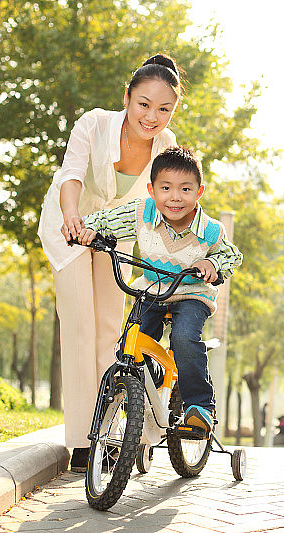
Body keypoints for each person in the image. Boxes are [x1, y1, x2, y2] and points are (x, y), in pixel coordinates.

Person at [38, 54, 183, 473]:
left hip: (113, 236)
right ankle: (82, 442)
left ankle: (113, 431)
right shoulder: (95, 124)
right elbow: (71, 175)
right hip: (69, 228)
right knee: (80, 327)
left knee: (109, 334)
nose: (152, 117)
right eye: (144, 104)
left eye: (163, 109)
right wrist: (71, 217)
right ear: (127, 98)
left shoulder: (166, 145)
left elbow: (166, 202)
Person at [77, 146, 242, 443]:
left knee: (184, 338)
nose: (175, 197)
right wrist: (87, 231)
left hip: (191, 294)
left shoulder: (210, 230)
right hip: (152, 291)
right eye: (166, 188)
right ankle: (143, 395)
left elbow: (232, 256)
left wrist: (212, 264)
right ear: (152, 190)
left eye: (185, 189)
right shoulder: (142, 213)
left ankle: (199, 406)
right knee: (130, 344)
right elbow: (104, 220)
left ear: (199, 192)